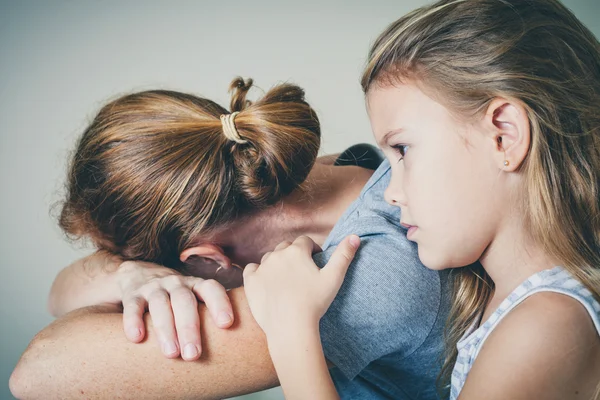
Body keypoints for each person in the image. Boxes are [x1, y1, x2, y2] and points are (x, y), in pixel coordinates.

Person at [242, 0, 600, 399]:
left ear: (504, 136)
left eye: (403, 150)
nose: (391, 194)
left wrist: (291, 328)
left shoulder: (545, 325)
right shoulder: (501, 299)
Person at [10, 77, 449, 399]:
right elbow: (60, 293)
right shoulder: (333, 170)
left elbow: (37, 376)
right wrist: (130, 274)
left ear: (208, 259)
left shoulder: (373, 272)